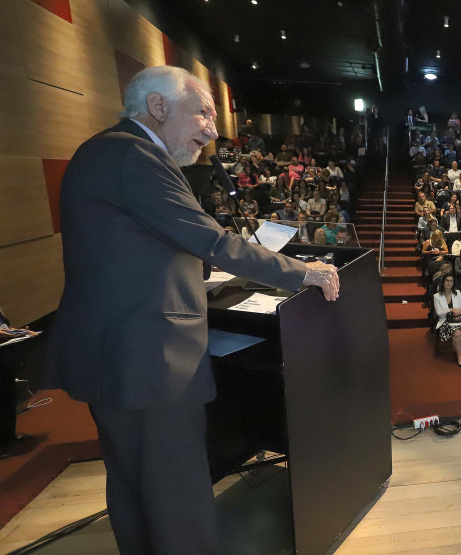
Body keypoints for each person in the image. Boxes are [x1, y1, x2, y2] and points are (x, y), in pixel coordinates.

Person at [45, 66, 339, 555]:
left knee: (133, 480)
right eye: (202, 111)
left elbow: (140, 247)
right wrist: (300, 272)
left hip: (117, 349)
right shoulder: (134, 154)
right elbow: (210, 239)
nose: (212, 128)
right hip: (147, 356)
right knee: (173, 487)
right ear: (158, 107)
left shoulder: (107, 150)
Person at [434, 275, 461, 367]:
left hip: (459, 319)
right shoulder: (437, 296)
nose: (449, 283)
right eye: (447, 280)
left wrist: (459, 311)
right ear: (443, 282)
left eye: (451, 281)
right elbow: (439, 313)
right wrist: (451, 310)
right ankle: (459, 355)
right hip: (446, 321)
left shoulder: (458, 293)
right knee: (457, 333)